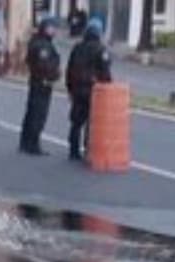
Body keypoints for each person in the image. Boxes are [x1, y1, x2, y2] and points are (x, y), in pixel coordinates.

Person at [66, 17, 112, 161]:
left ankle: (73, 151)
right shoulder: (101, 50)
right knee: (91, 123)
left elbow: (69, 69)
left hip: (77, 89)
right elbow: (105, 73)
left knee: (76, 122)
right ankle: (88, 150)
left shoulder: (77, 47)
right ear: (99, 32)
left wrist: (70, 88)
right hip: (94, 91)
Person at [19, 17, 61, 155]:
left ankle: (25, 142)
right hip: (42, 83)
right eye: (51, 28)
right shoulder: (42, 45)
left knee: (31, 112)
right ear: (45, 28)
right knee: (38, 114)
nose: (54, 30)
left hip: (37, 82)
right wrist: (53, 74)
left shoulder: (37, 42)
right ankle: (33, 144)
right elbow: (44, 65)